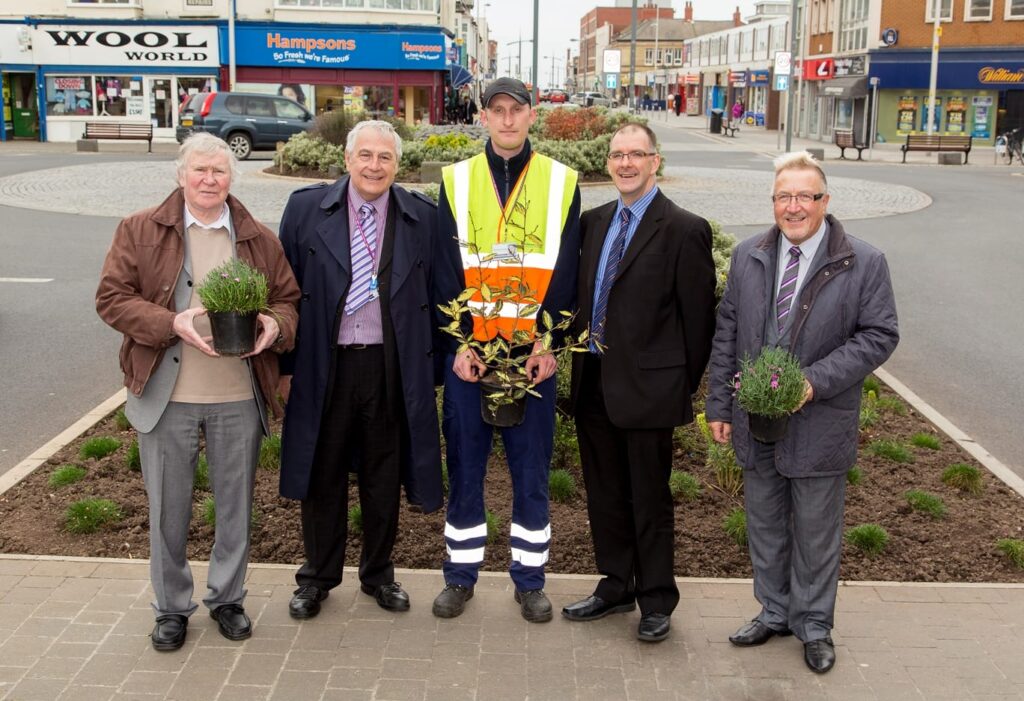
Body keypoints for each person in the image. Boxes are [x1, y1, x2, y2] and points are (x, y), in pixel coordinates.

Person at [95, 132, 300, 651]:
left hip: (237, 394)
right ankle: (171, 608)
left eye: (220, 171)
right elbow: (112, 298)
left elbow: (288, 299)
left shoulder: (257, 238)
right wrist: (171, 322)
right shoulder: (140, 230)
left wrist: (276, 327)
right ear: (181, 175)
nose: (210, 180)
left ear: (233, 177)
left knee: (236, 506)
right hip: (167, 395)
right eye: (200, 170)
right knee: (168, 510)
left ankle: (228, 598)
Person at [705, 152, 899, 673]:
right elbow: (728, 333)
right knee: (764, 522)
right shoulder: (749, 255)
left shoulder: (863, 261)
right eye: (783, 197)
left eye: (804, 196)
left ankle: (813, 625)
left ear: (824, 202)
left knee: (815, 530)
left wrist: (813, 383)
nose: (794, 207)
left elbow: (880, 335)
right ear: (773, 202)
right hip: (754, 418)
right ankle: (773, 611)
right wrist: (719, 404)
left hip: (820, 420)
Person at [277, 120, 444, 620]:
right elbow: (284, 293)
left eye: (385, 158)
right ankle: (317, 578)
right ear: (347, 159)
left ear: (398, 164)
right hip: (323, 366)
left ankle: (378, 574)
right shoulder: (306, 209)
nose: (374, 166)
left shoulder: (422, 217)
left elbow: (437, 296)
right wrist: (285, 368)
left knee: (382, 475)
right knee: (322, 473)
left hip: (388, 366)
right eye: (365, 156)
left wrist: (429, 372)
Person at [432, 77, 581, 623]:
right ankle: (459, 576)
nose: (508, 120)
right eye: (497, 111)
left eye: (516, 110)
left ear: (531, 114)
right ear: (483, 116)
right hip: (473, 357)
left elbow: (567, 272)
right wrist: (459, 344)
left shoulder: (562, 181)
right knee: (465, 471)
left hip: (532, 357)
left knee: (532, 474)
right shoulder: (456, 179)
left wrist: (550, 343)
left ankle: (530, 580)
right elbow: (444, 270)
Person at [560, 123, 716, 643]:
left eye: (636, 155)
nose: (626, 164)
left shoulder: (684, 229)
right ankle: (614, 585)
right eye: (617, 155)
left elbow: (698, 324)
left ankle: (655, 599)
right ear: (608, 163)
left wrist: (678, 386)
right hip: (594, 383)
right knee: (604, 494)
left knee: (649, 499)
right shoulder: (593, 222)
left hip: (650, 391)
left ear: (656, 162)